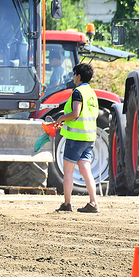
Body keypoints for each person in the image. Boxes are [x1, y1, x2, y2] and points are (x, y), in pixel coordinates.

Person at [55, 63, 99, 213]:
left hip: (76, 137)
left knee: (68, 171)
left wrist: (61, 118)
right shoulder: (92, 93)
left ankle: (67, 204)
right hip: (89, 137)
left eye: (74, 74)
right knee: (86, 169)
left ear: (78, 76)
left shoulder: (77, 92)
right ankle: (93, 202)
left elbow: (75, 113)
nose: (73, 77)